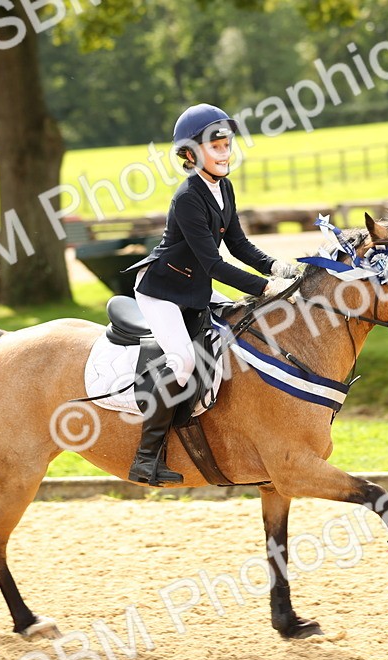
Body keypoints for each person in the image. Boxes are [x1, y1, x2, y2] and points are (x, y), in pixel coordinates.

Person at [123, 103, 289, 486]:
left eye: (226, 143)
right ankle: (145, 459)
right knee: (181, 361)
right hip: (162, 291)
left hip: (195, 289)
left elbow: (241, 246)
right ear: (190, 154)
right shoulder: (187, 198)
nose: (224, 151)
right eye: (215, 146)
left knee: (237, 330)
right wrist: (265, 288)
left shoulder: (224, 187)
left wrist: (278, 269)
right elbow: (214, 264)